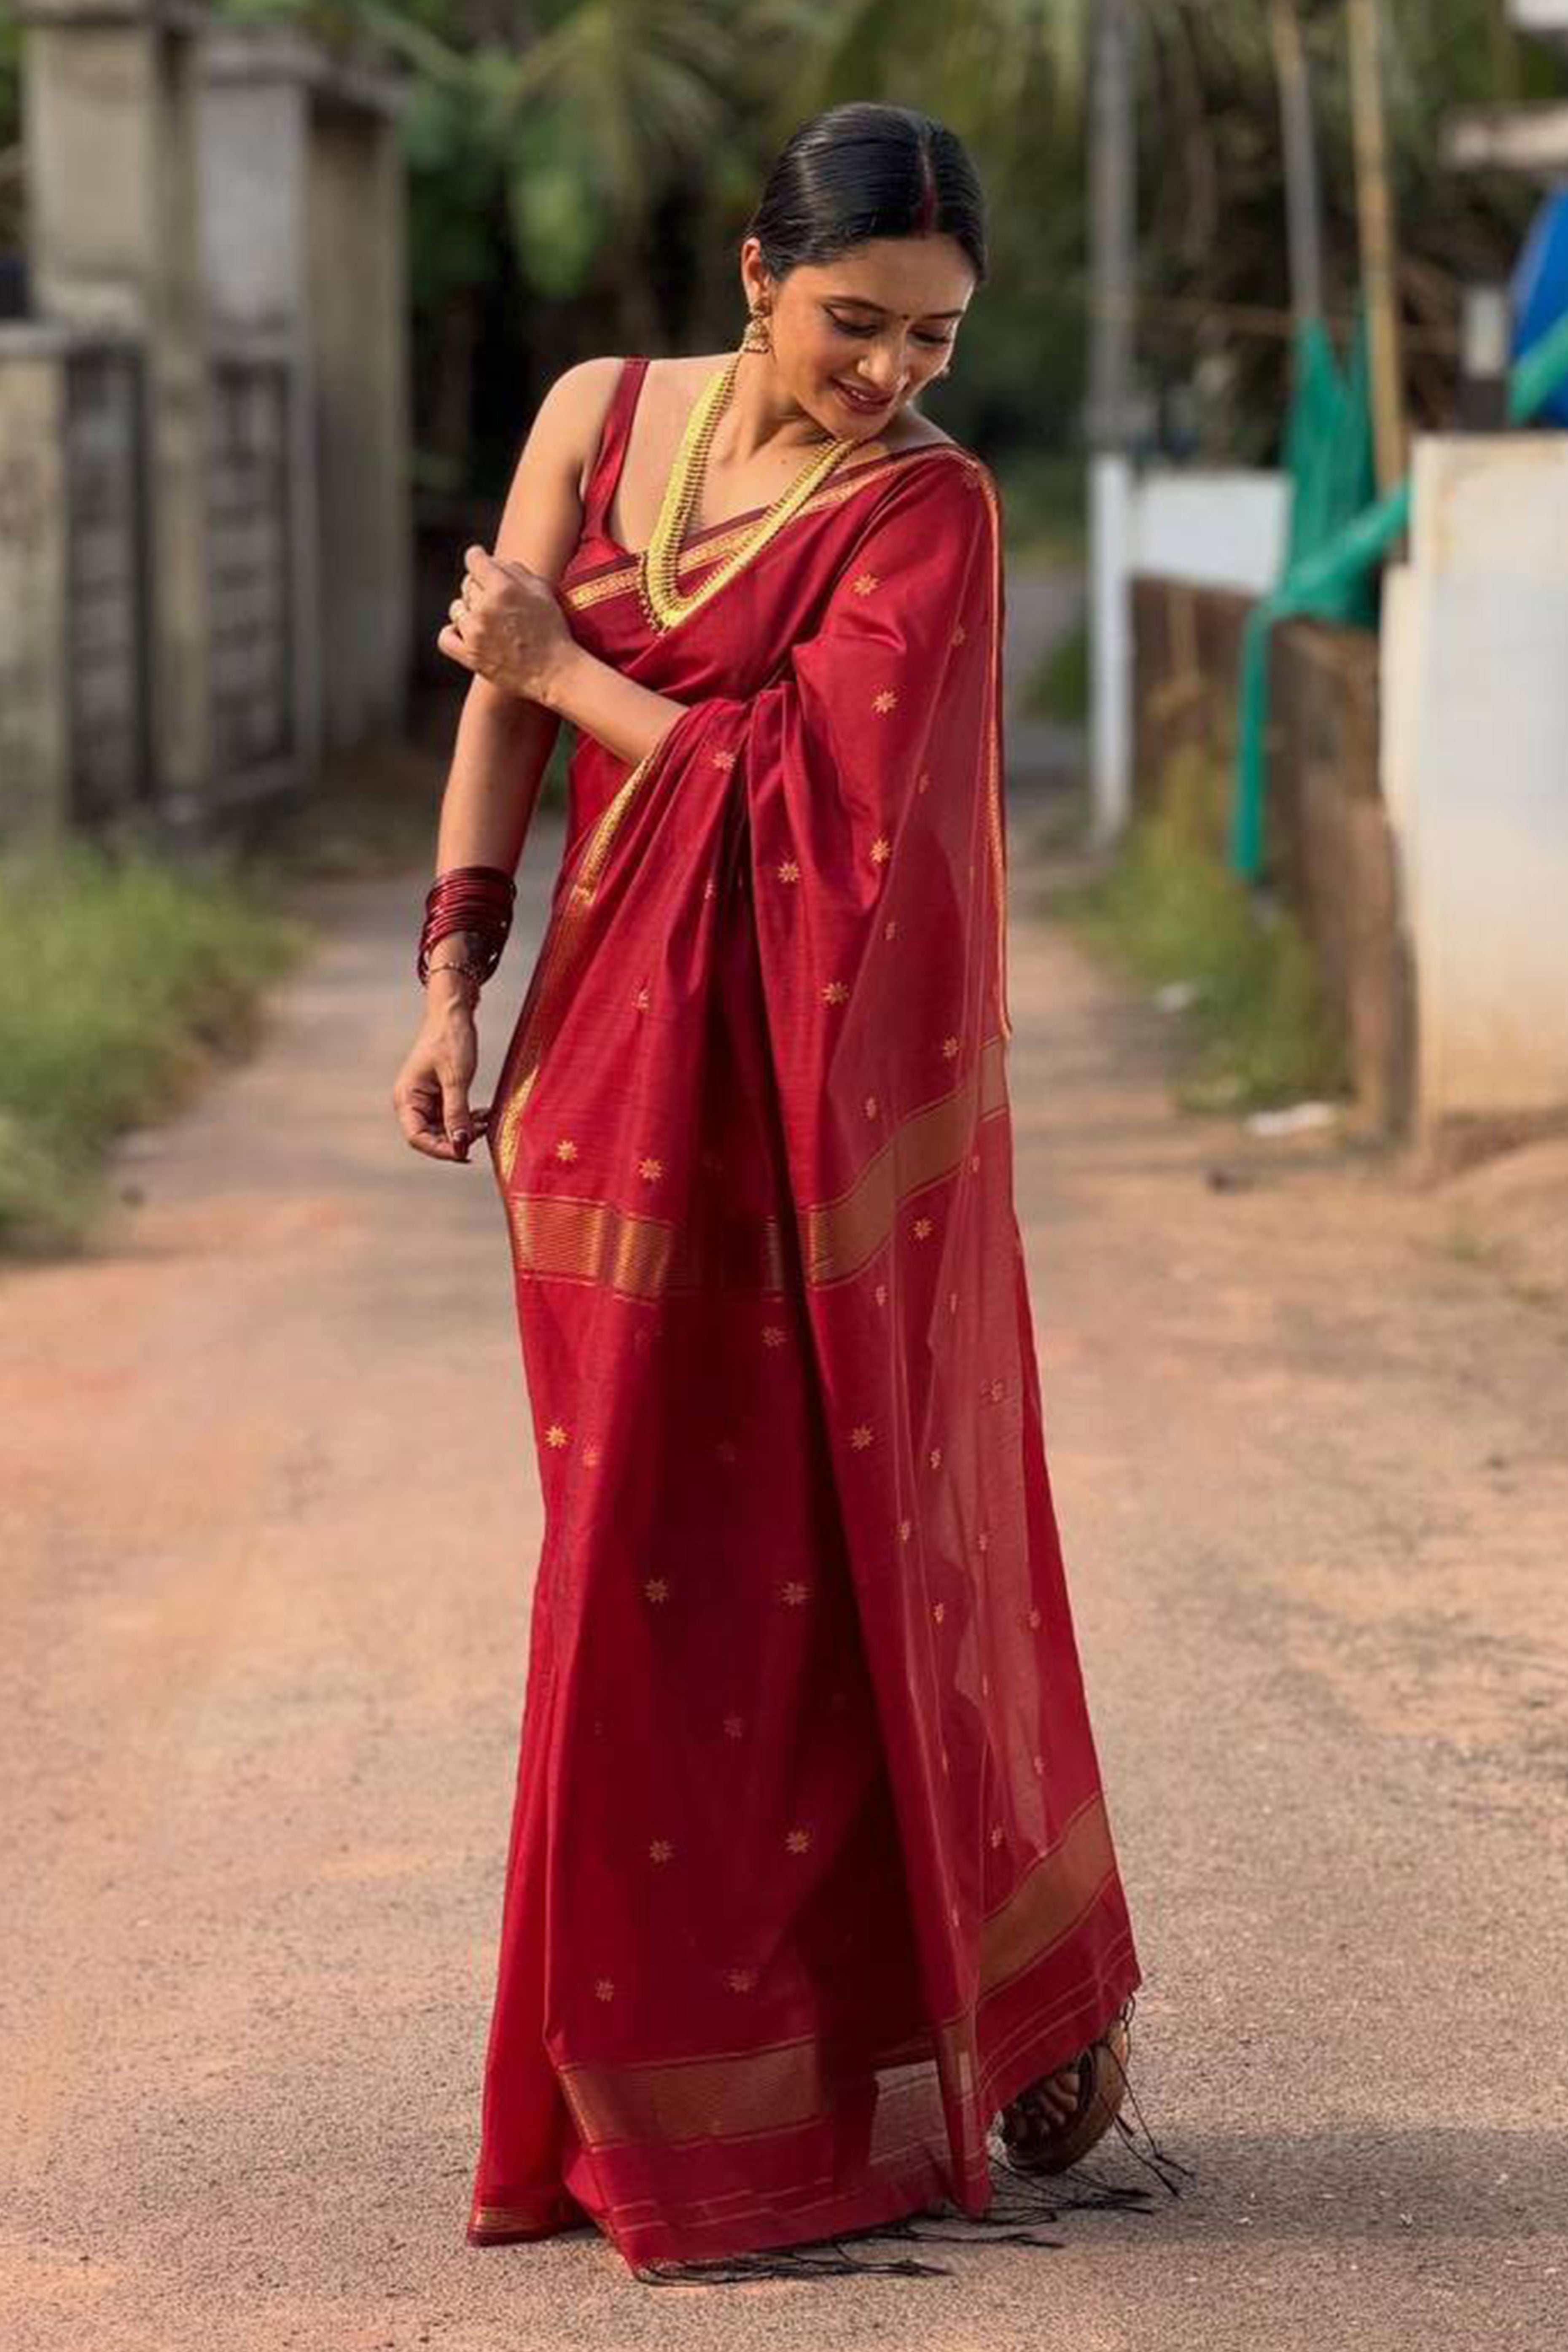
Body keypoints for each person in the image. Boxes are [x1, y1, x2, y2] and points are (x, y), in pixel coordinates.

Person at [392, 99, 1151, 2281]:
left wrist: (564, 668)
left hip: (807, 1107)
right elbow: (505, 720)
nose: (893, 372)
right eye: (854, 323)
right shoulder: (592, 414)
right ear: (753, 276)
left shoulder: (927, 513)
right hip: (598, 1093)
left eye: (932, 335)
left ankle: (813, 2087)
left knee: (813, 1551)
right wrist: (454, 979)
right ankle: (643, 2096)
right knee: (627, 1569)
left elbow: (821, 798)